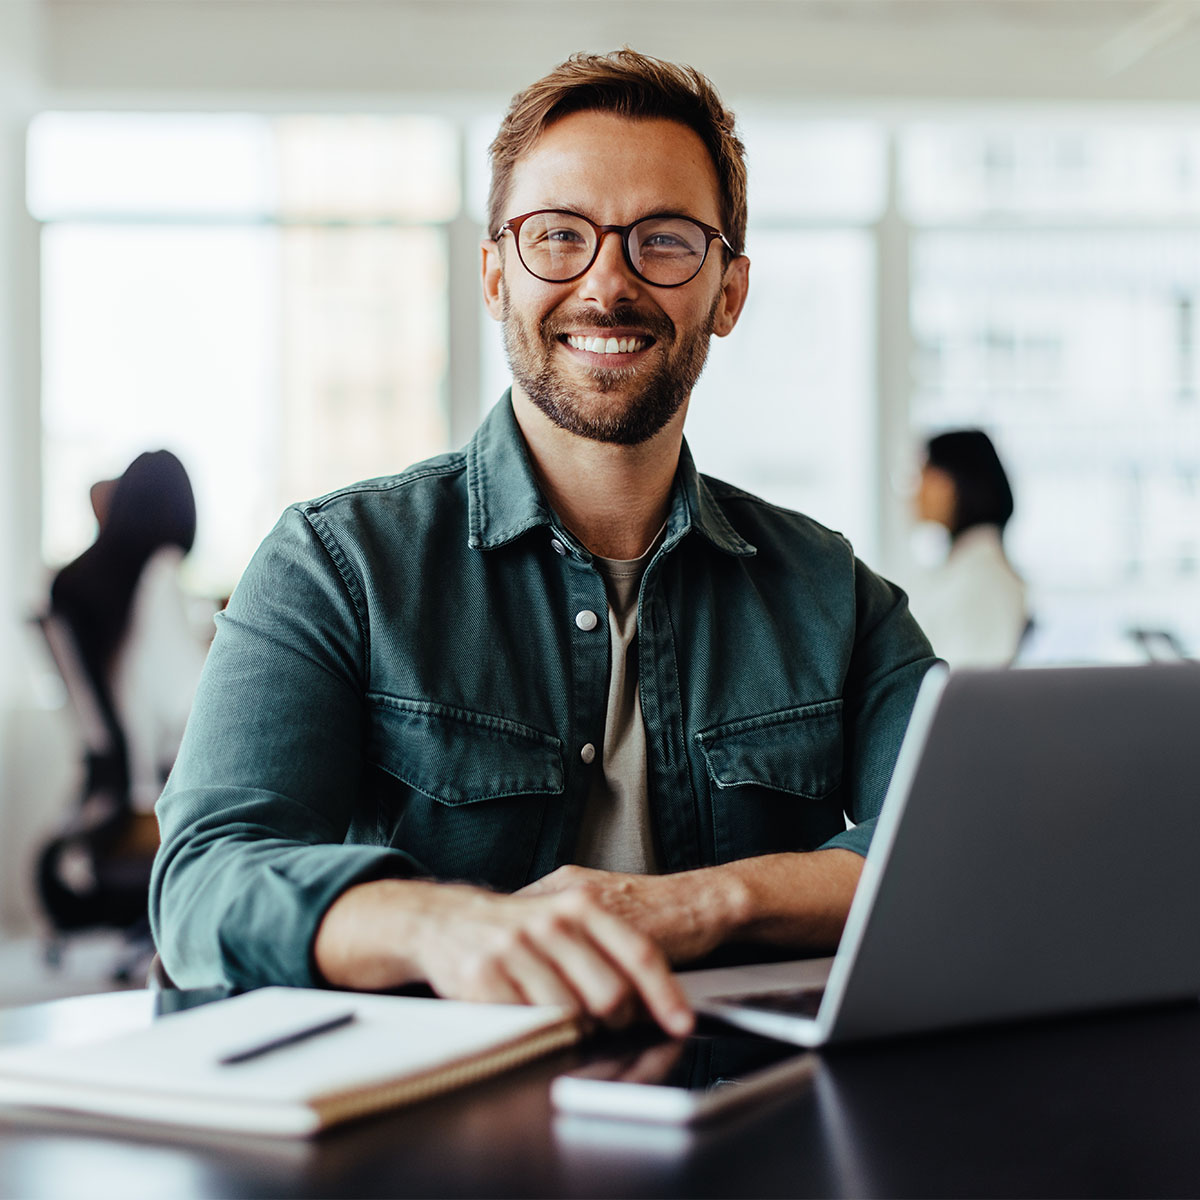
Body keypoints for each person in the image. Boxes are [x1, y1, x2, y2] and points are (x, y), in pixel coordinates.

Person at [151, 50, 937, 1036]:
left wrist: (697, 902)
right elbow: (204, 883)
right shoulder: (337, 564)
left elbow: (955, 851)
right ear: (494, 275)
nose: (607, 284)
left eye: (664, 240)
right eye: (558, 236)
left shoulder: (835, 594)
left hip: (748, 1117)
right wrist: (440, 925)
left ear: (728, 291)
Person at [51, 449, 210, 814]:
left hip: (107, 790)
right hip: (157, 794)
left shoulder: (90, 582)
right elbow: (187, 704)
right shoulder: (159, 573)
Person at [907, 430, 1028, 668]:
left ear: (954, 483)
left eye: (924, 473)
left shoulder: (982, 580)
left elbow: (959, 689)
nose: (915, 490)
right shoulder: (968, 567)